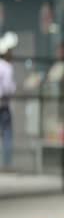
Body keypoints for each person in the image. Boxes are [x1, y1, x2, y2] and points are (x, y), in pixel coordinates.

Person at [0, 42, 16, 172]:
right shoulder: (7, 67)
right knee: (7, 133)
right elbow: (7, 88)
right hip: (3, 104)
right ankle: (7, 163)